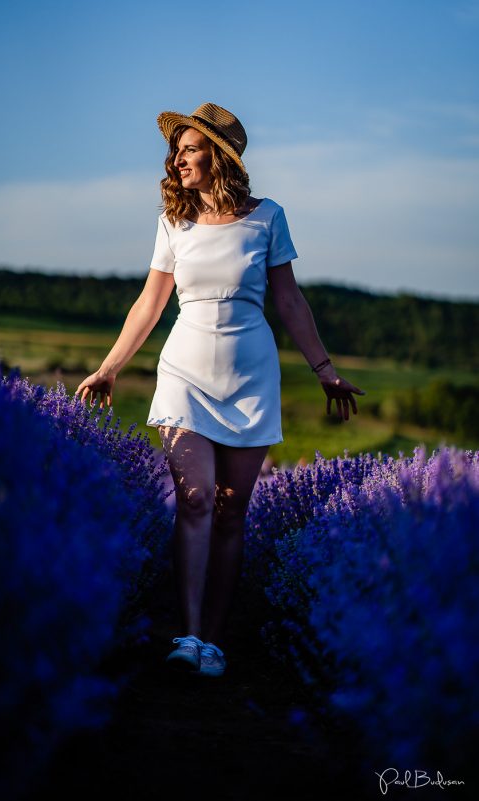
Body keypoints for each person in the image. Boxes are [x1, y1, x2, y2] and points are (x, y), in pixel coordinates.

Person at [75, 102, 365, 679]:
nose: (178, 159)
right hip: (184, 374)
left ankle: (213, 640)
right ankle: (185, 633)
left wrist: (324, 369)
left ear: (219, 157)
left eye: (190, 149)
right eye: (177, 150)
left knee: (233, 513)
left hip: (252, 378)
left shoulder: (268, 217)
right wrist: (109, 366)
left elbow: (288, 301)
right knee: (197, 499)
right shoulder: (171, 222)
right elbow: (150, 303)